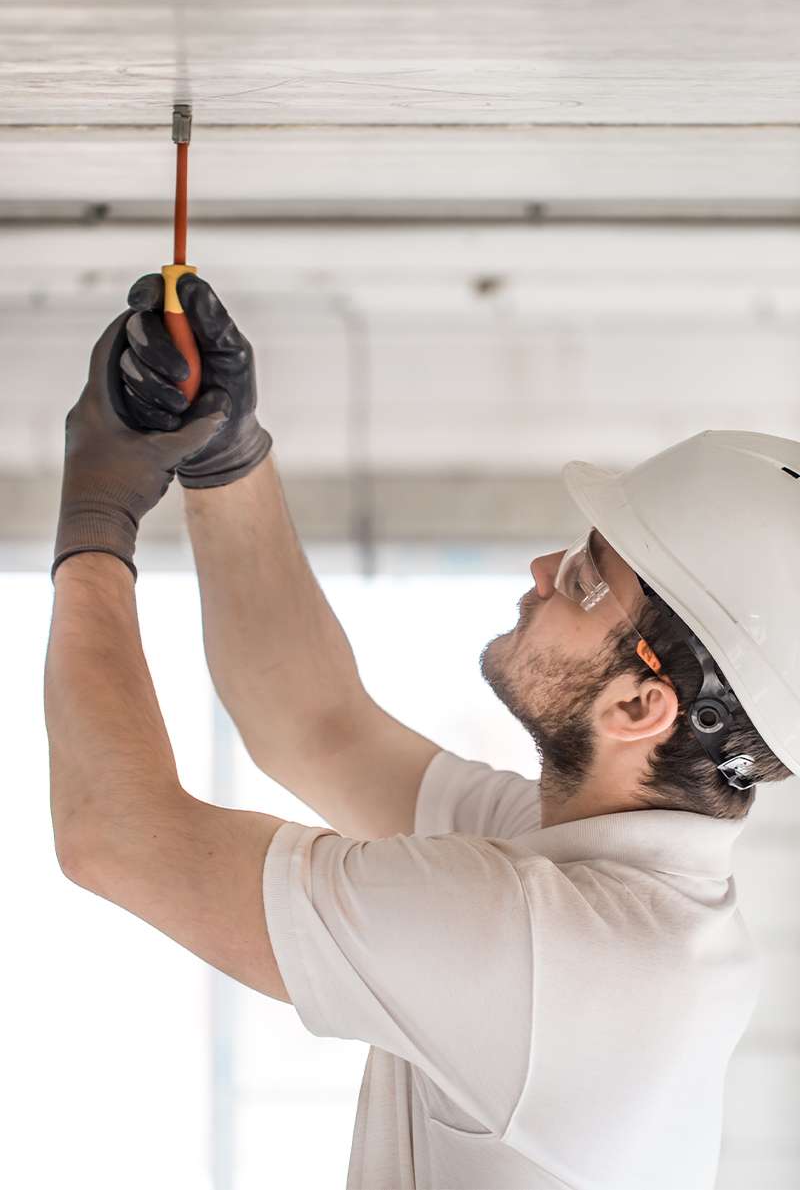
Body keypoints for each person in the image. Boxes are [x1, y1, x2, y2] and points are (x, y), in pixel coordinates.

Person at [45, 275, 800, 1190]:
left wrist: (95, 515)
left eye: (584, 577)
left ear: (640, 707)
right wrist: (225, 455)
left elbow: (116, 835)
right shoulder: (601, 881)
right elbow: (315, 726)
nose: (541, 568)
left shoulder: (551, 949)